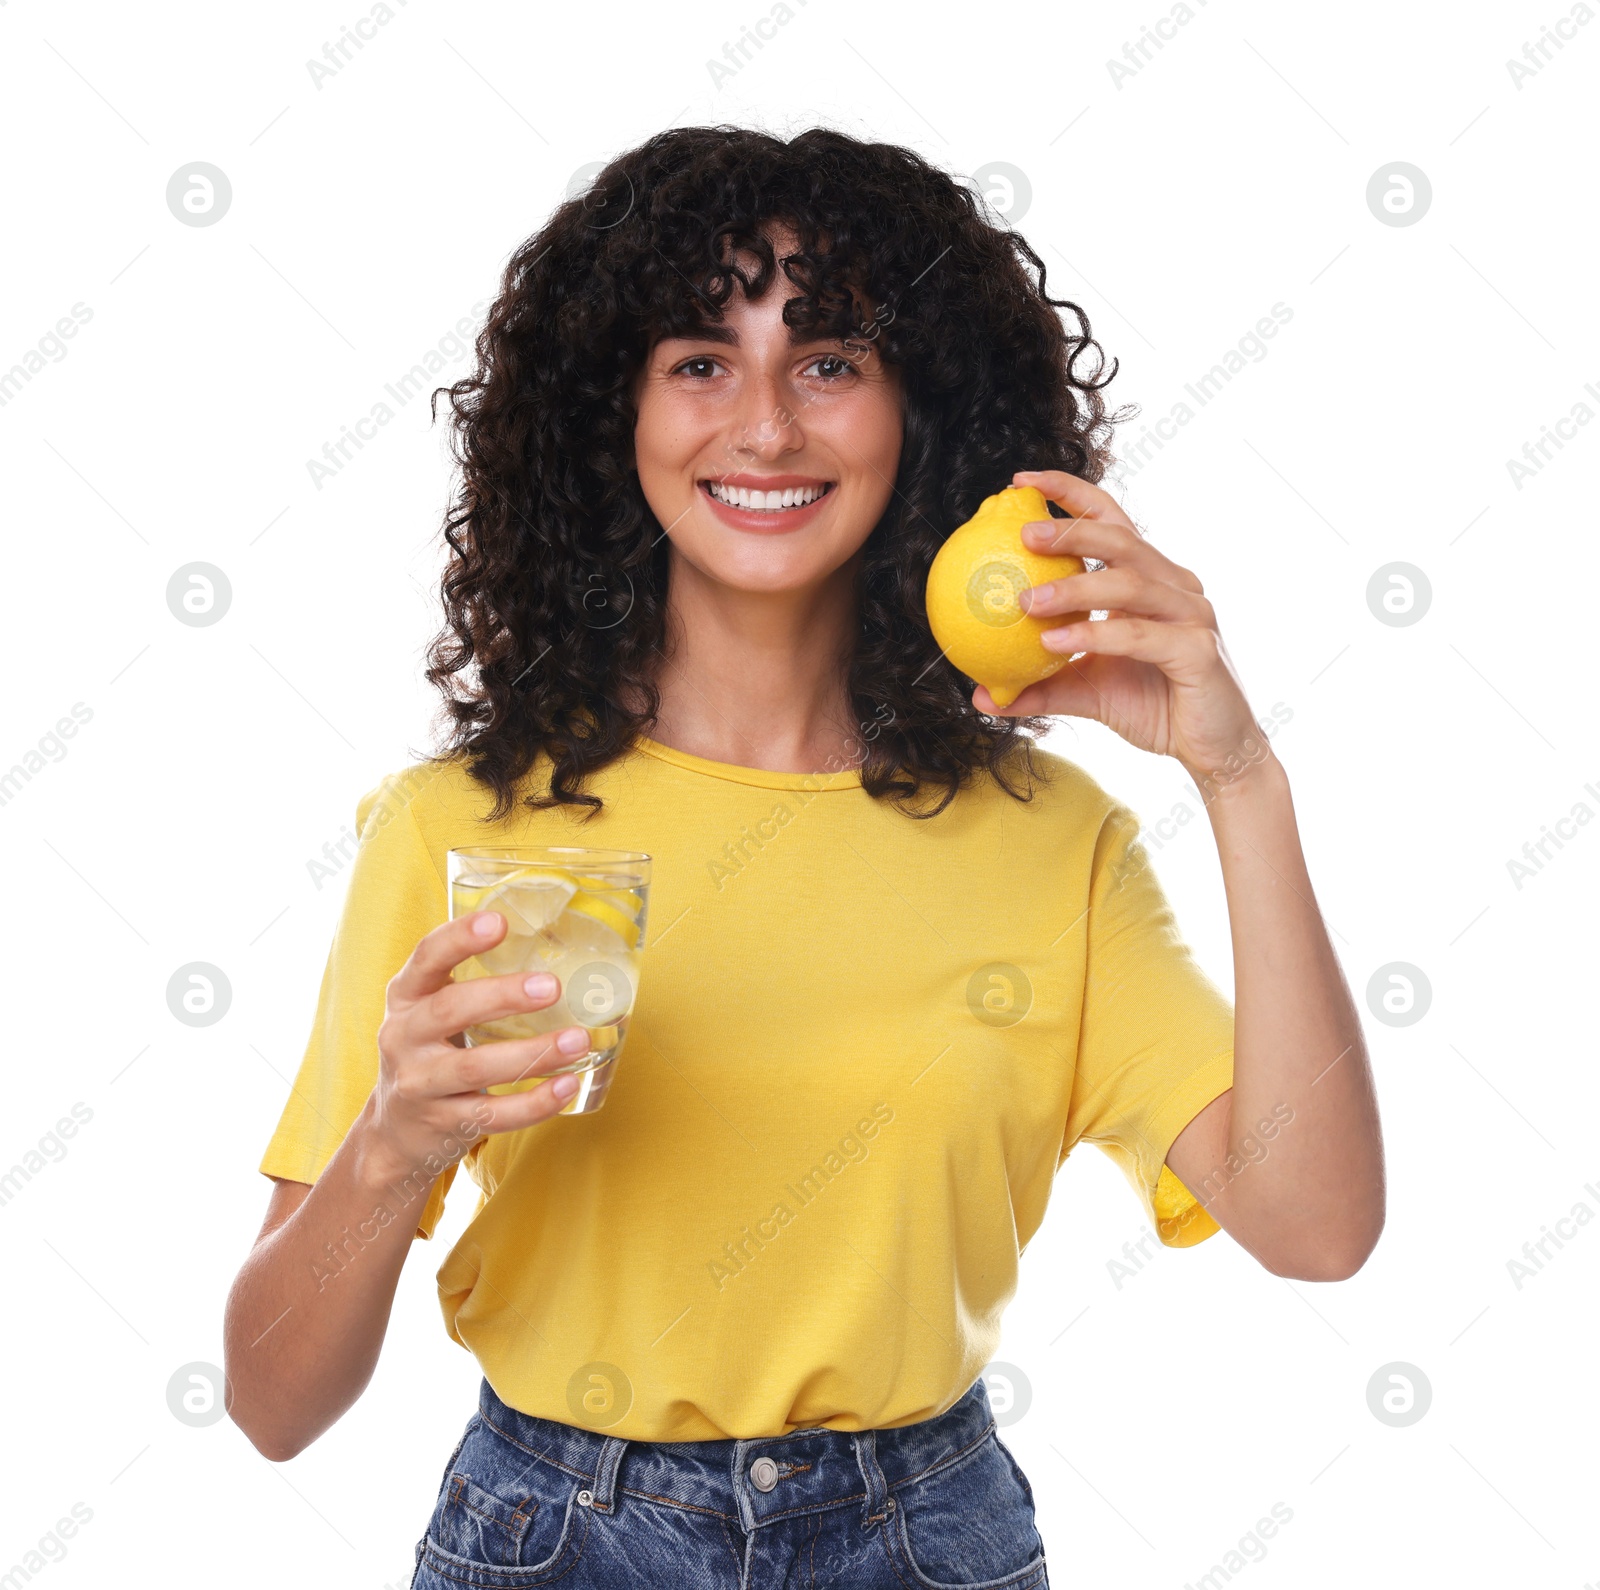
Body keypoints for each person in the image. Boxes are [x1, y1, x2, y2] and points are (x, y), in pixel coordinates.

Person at [223, 124, 1383, 1589]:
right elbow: (271, 1404)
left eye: (828, 360)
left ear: (921, 411)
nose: (765, 427)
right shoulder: (459, 825)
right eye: (701, 360)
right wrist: (394, 1142)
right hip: (555, 1539)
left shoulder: (1051, 845)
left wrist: (1241, 775)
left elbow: (1320, 1225)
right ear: (613, 415)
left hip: (925, 1539)